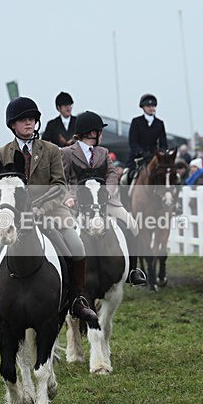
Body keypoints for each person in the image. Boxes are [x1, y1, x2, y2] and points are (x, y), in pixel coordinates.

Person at [0, 97, 99, 328]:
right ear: (12, 125)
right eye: (23, 119)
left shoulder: (51, 150)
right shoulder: (0, 154)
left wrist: (40, 208)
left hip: (48, 211)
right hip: (8, 213)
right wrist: (7, 209)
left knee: (76, 247)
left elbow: (59, 186)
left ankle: (76, 299)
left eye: (32, 119)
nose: (29, 123)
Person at [61, 110, 146, 286]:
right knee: (62, 231)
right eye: (100, 131)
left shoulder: (103, 152)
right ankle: (64, 273)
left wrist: (108, 191)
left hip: (103, 200)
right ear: (91, 133)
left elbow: (111, 174)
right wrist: (68, 196)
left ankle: (132, 270)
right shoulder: (67, 153)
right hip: (77, 203)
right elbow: (61, 179)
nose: (101, 134)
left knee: (132, 224)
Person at [126, 94, 168, 176]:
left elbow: (163, 143)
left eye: (153, 106)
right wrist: (141, 152)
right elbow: (132, 142)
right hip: (137, 157)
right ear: (143, 107)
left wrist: (160, 153)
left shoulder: (159, 123)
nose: (151, 108)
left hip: (154, 156)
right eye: (148, 106)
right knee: (125, 178)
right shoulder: (136, 121)